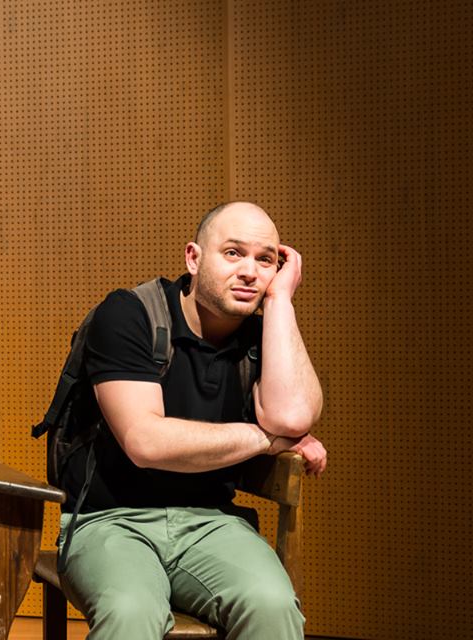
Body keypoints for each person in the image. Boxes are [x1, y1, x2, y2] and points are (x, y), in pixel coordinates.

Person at [57, 202, 327, 639]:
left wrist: (280, 301)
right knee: (131, 611)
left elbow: (292, 416)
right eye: (233, 253)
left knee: (272, 605)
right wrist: (265, 439)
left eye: (266, 260)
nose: (250, 272)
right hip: (109, 519)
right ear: (193, 258)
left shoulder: (263, 337)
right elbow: (146, 442)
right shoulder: (130, 314)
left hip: (211, 522)